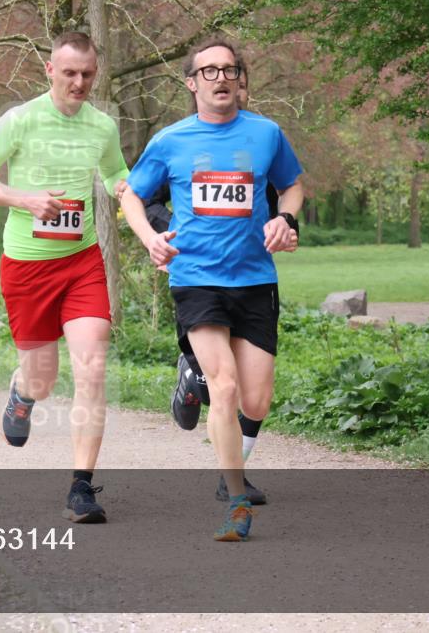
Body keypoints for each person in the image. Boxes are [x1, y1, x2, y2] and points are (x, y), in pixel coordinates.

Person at [120, 38, 303, 540]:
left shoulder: (266, 134)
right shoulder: (170, 140)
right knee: (223, 388)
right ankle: (236, 501)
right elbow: (132, 195)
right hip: (196, 278)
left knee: (256, 401)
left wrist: (285, 218)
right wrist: (150, 238)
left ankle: (191, 375)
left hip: (255, 279)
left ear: (239, 80)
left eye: (229, 70)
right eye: (209, 71)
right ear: (192, 83)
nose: (221, 78)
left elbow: (292, 184)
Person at [0, 31, 129, 523]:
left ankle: (81, 487)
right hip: (27, 267)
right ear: (50, 70)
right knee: (43, 378)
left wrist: (132, 193)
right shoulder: (19, 121)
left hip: (81, 262)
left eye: (88, 74)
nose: (79, 82)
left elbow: (115, 174)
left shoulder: (102, 126)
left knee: (92, 366)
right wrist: (25, 199)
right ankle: (22, 392)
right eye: (70, 72)